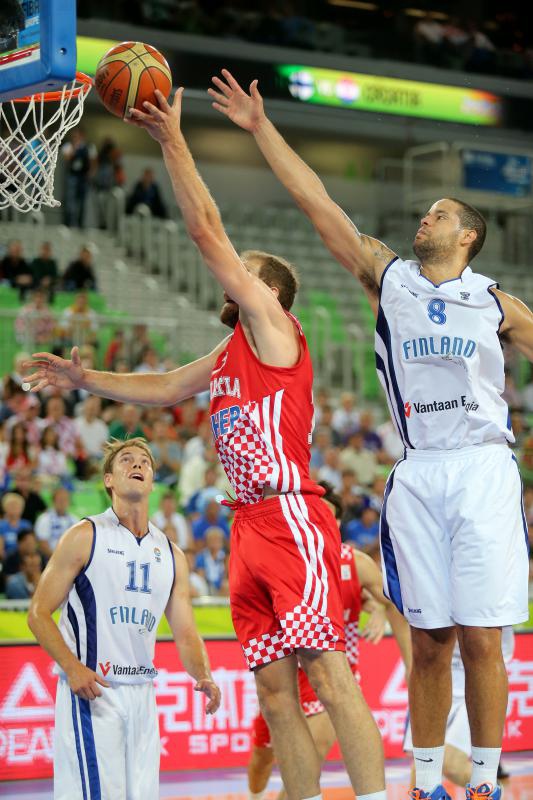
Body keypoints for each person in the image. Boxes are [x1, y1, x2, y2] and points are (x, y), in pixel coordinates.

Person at [23, 88, 387, 800]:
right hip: (246, 523)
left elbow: (205, 233)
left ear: (266, 292)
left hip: (288, 515)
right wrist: (81, 374)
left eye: (245, 269)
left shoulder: (276, 331)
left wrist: (172, 141)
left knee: (329, 674)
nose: (233, 271)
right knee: (276, 695)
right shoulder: (226, 356)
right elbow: (160, 388)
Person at [208, 69, 531, 800]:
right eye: (424, 212)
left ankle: (481, 781)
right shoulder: (391, 279)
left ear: (468, 235)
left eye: (440, 214)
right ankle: (422, 784)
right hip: (417, 470)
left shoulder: (494, 302)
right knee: (429, 643)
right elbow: (315, 202)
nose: (425, 220)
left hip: (481, 466)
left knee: (481, 638)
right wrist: (261, 129)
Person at [28, 437, 221, 798]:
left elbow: (185, 632)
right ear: (109, 480)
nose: (137, 465)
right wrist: (72, 668)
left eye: (144, 462)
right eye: (126, 460)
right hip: (94, 690)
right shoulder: (85, 535)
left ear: (151, 481)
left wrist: (204, 673)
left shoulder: (171, 552)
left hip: (142, 693)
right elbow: (38, 613)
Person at [247, 482, 411, 800]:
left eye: (334, 518)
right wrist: (373, 606)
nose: (328, 523)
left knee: (314, 755)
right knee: (260, 764)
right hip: (284, 674)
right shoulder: (280, 558)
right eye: (320, 515)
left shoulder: (355, 562)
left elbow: (389, 601)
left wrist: (379, 610)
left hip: (335, 668)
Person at [404, 627, 515, 788]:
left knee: (451, 765)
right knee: (422, 771)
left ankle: (493, 790)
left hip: (480, 678)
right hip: (438, 677)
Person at [34, 486, 77, 557]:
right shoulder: (44, 519)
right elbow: (42, 544)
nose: (62, 502)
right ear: (53, 501)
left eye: (65, 499)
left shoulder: (74, 519)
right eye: (59, 499)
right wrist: (56, 560)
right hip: (50, 559)